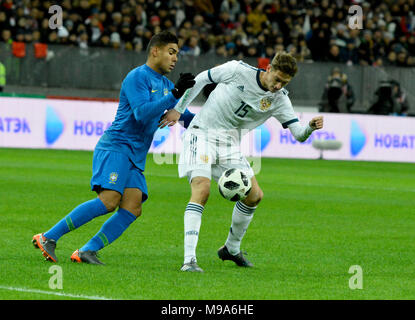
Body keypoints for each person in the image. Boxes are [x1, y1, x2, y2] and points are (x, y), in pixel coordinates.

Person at [32, 31, 196, 265]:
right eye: (171, 52)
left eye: (177, 54)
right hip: (116, 146)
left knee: (133, 206)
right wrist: (174, 96)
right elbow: (141, 113)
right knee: (109, 200)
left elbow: (185, 116)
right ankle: (48, 237)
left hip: (135, 155)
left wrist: (215, 121)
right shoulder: (137, 77)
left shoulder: (166, 85)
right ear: (155, 51)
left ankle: (87, 251)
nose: (175, 58)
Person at [159, 52, 324, 272]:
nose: (278, 86)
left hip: (229, 146)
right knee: (202, 189)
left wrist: (310, 127)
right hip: (201, 134)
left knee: (255, 196)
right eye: (277, 79)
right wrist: (178, 110)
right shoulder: (238, 70)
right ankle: (189, 260)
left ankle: (231, 248)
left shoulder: (280, 99)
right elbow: (201, 79)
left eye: (284, 83)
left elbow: (298, 134)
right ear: (268, 69)